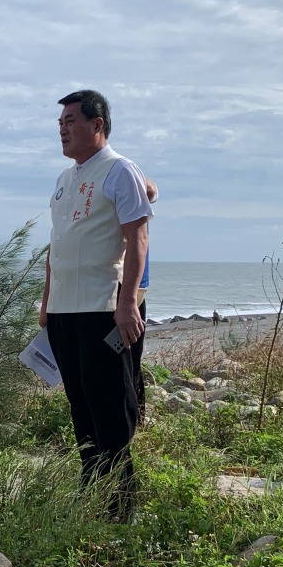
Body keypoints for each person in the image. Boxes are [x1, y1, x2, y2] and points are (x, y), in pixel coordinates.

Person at [39, 90, 152, 521]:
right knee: (80, 405)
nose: (63, 130)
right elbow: (57, 245)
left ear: (97, 124)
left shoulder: (119, 170)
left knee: (110, 407)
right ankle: (92, 490)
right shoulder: (65, 178)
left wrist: (128, 303)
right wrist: (46, 304)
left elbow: (138, 237)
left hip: (102, 307)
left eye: (71, 121)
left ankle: (120, 505)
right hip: (64, 311)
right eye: (60, 123)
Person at [131, 178, 159, 420]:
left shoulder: (124, 173)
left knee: (130, 361)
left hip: (132, 291)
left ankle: (136, 417)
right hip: (106, 288)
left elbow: (150, 190)